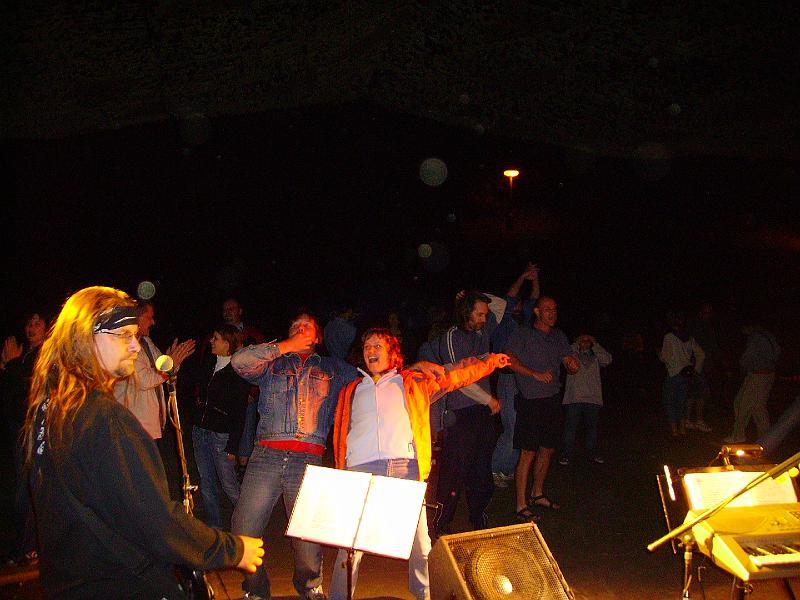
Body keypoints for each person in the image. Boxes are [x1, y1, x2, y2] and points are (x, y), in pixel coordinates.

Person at [22, 286, 263, 599]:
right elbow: (155, 520)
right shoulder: (104, 420)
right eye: (124, 335)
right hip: (113, 583)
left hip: (70, 580)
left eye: (135, 335)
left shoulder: (51, 408)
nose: (135, 345)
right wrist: (232, 549)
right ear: (86, 337)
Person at [329, 328, 509, 600]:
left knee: (420, 543)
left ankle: (423, 593)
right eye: (367, 346)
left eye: (378, 346)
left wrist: (491, 362)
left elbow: (456, 375)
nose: (371, 350)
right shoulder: (351, 390)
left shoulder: (411, 383)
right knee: (350, 543)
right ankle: (339, 597)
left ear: (392, 353)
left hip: (403, 468)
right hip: (360, 471)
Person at [230, 311, 360, 600]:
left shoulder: (332, 368)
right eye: (295, 326)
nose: (300, 329)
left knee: (307, 538)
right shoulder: (273, 363)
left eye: (307, 326)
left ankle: (310, 586)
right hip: (266, 456)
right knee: (243, 528)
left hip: (307, 461)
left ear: (318, 337)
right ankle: (255, 589)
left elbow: (369, 379)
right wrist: (286, 346)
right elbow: (239, 362)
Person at [417, 289, 509, 537]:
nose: (484, 318)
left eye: (485, 314)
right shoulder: (451, 337)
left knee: (481, 469)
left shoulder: (483, 331)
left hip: (482, 413)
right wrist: (489, 399)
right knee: (453, 472)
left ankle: (478, 516)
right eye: (479, 314)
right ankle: (440, 524)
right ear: (466, 312)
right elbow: (456, 378)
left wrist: (473, 293)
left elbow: (501, 304)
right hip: (460, 412)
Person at [505, 296, 579, 522]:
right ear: (536, 311)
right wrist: (533, 373)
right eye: (547, 309)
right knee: (528, 452)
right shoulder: (523, 334)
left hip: (552, 399)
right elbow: (509, 359)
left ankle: (537, 493)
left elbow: (567, 359)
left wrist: (571, 364)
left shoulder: (558, 336)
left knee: (548, 448)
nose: (552, 313)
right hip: (530, 401)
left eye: (554, 309)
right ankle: (521, 504)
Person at [1, 311, 48, 566]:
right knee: (21, 487)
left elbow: (30, 391)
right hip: (17, 429)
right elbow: (11, 394)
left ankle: (31, 546)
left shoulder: (44, 355)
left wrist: (11, 366)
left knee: (29, 486)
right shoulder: (23, 357)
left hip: (33, 428)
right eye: (29, 323)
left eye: (37, 323)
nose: (31, 328)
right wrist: (8, 367)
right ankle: (22, 546)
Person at [192, 323, 250, 529]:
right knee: (206, 482)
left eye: (216, 338)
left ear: (227, 344)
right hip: (200, 431)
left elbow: (240, 414)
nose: (211, 341)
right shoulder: (209, 364)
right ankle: (214, 526)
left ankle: (249, 524)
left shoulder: (237, 372)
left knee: (229, 484)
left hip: (221, 437)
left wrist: (233, 446)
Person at [559, 334, 612, 465]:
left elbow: (607, 360)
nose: (585, 342)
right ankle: (566, 454)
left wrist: (596, 344)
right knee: (570, 428)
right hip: (574, 397)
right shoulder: (571, 355)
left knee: (592, 429)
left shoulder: (596, 356)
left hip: (593, 398)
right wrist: (575, 343)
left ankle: (592, 454)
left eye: (588, 340)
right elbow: (563, 354)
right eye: (582, 340)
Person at [725, 321, 781, 443]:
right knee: (757, 406)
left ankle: (738, 435)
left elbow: (748, 357)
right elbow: (777, 352)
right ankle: (766, 437)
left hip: (758, 375)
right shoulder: (768, 335)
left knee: (743, 405)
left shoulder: (755, 337)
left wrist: (741, 368)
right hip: (767, 374)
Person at [658, 311, 705, 438]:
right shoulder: (689, 337)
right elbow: (701, 354)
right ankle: (683, 429)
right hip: (686, 374)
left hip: (673, 373)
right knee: (681, 401)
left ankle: (675, 431)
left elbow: (666, 357)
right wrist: (695, 370)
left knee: (670, 402)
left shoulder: (669, 337)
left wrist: (660, 355)